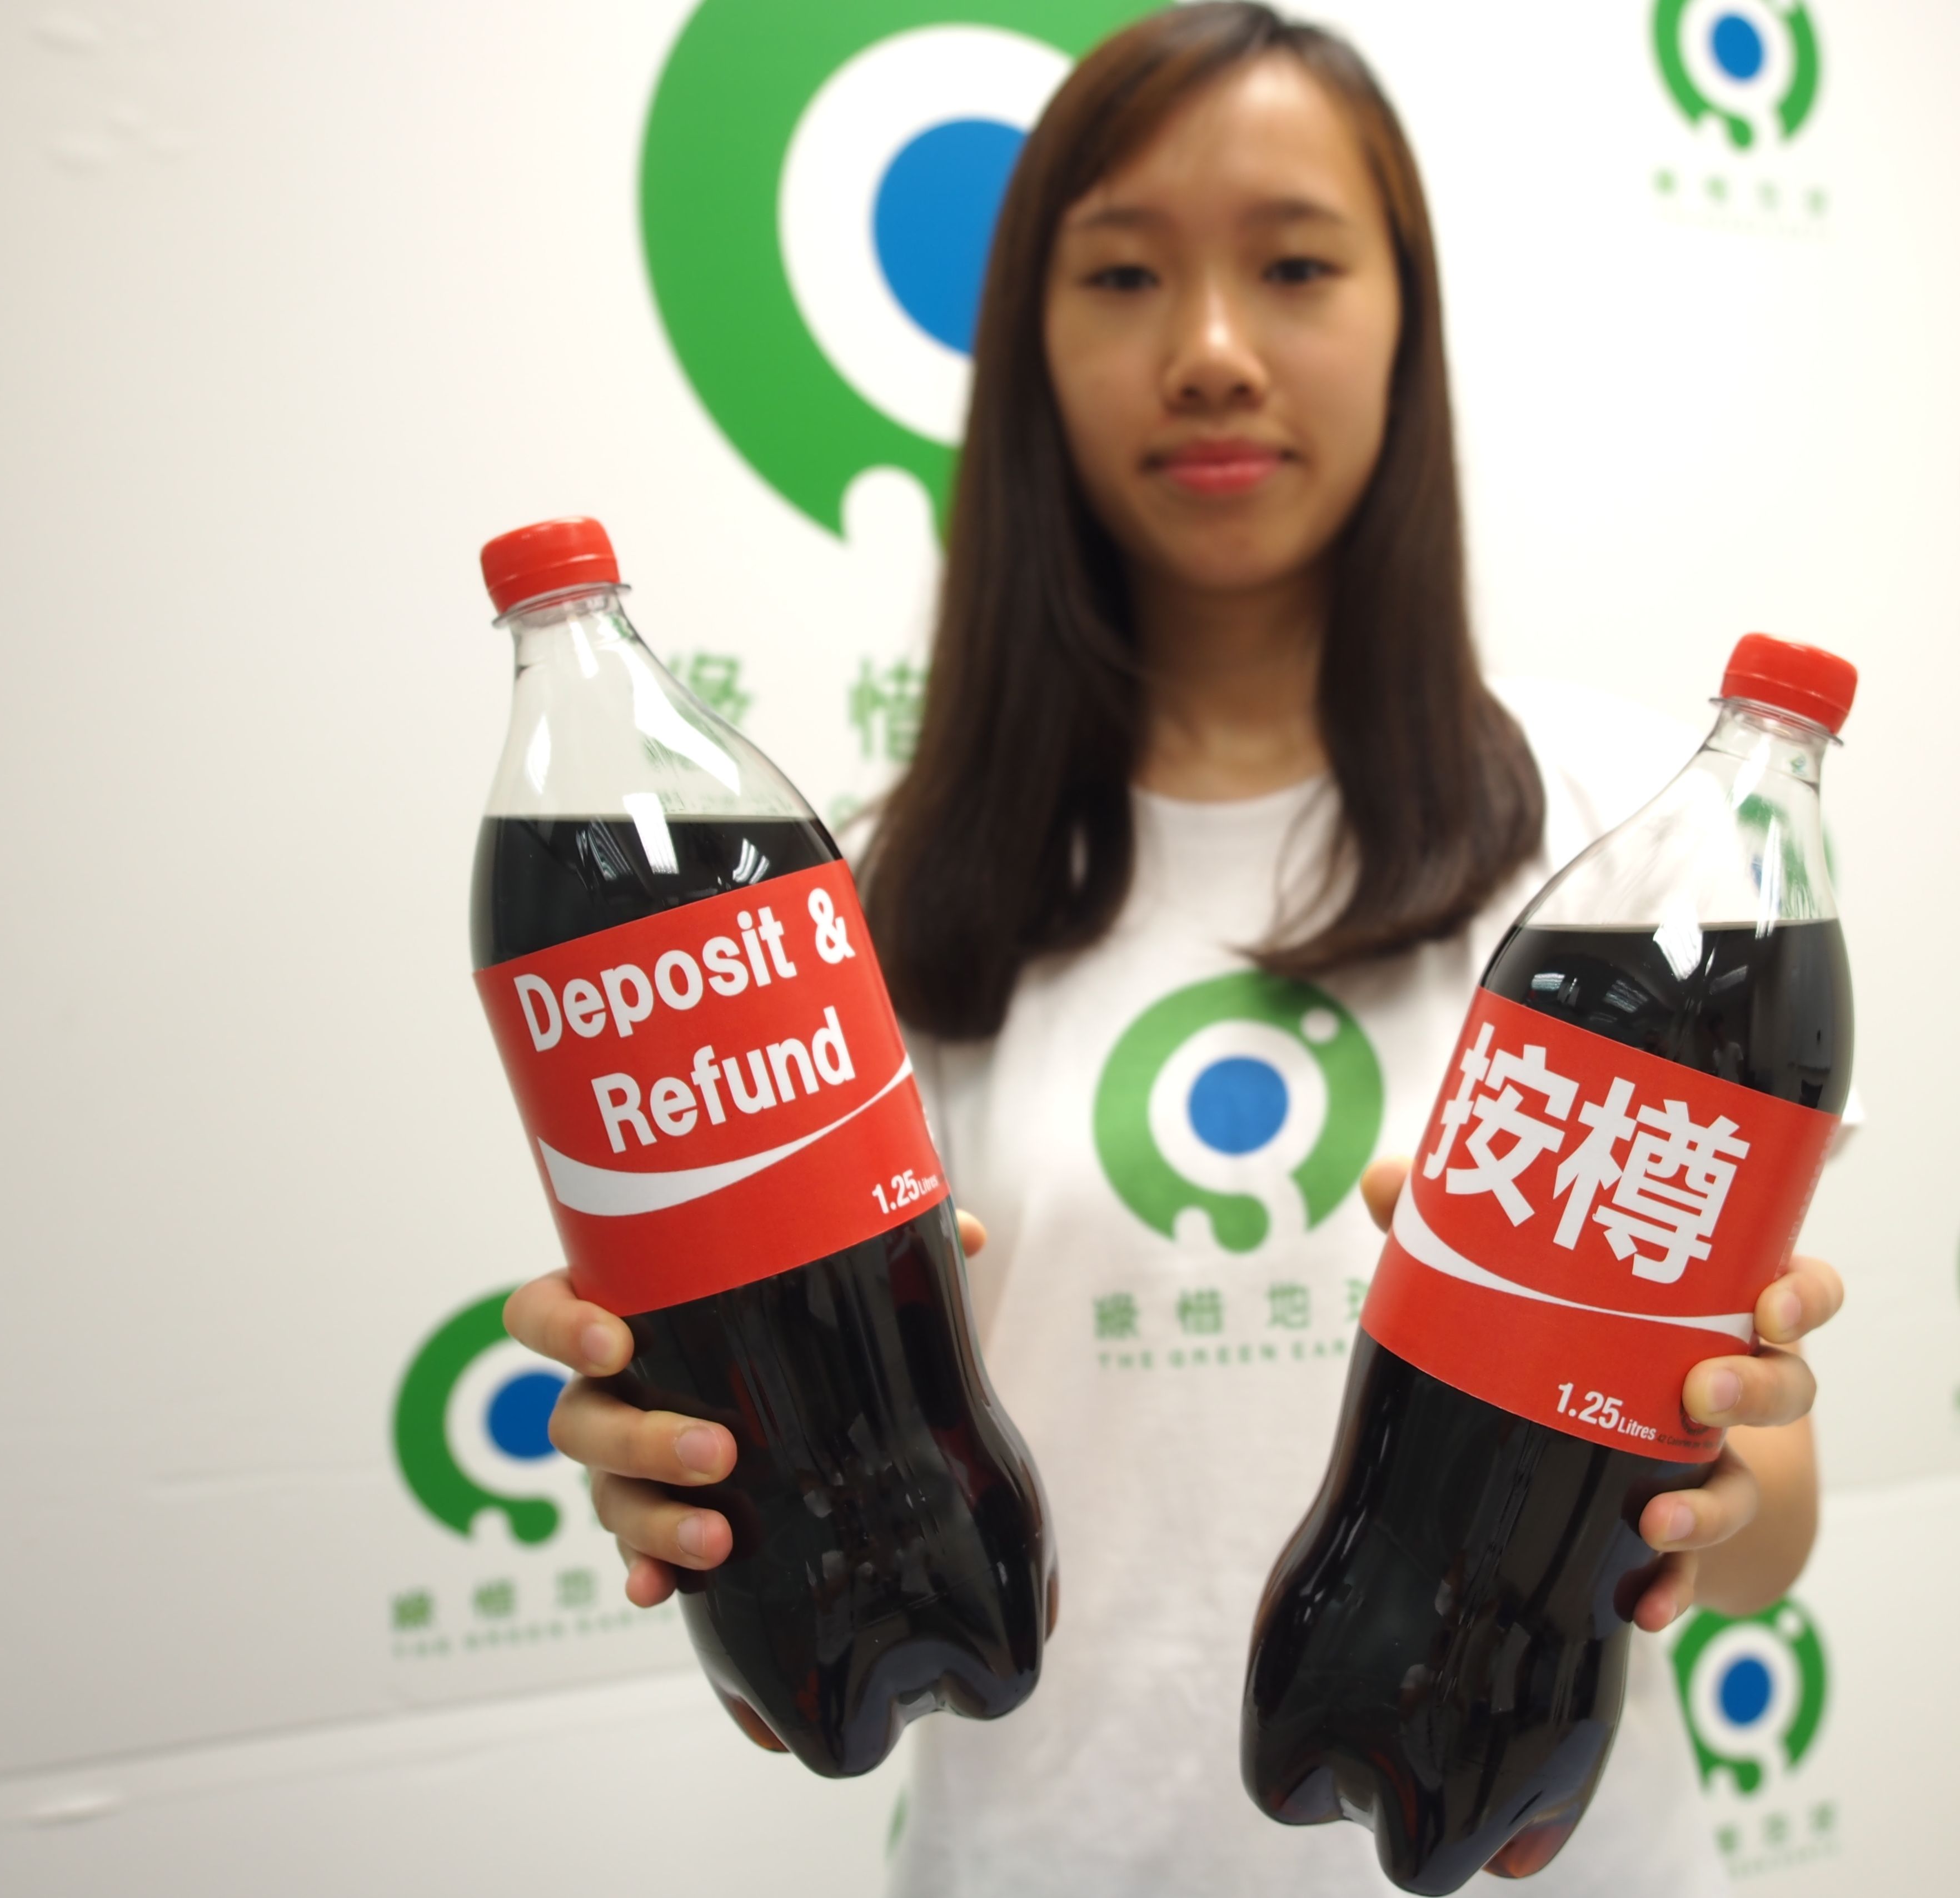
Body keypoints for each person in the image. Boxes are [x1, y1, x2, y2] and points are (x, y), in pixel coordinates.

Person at [508, 7, 1846, 1892]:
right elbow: (815, 1533)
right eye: (1126, 274)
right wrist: (701, 1474)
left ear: (1407, 322)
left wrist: (1704, 1469)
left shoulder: (1639, 853)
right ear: (1028, 350)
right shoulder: (856, 904)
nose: (1212, 350)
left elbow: (1769, 1534)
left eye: (1295, 266)